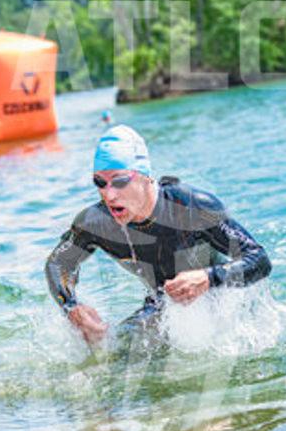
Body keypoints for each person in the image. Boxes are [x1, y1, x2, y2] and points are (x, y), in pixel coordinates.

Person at [44, 125, 272, 344]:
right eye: (100, 182)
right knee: (117, 347)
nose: (109, 195)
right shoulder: (95, 222)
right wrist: (71, 307)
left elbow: (259, 259)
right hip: (162, 303)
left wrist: (208, 278)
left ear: (145, 176)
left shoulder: (190, 206)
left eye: (120, 181)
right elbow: (58, 263)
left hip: (218, 299)